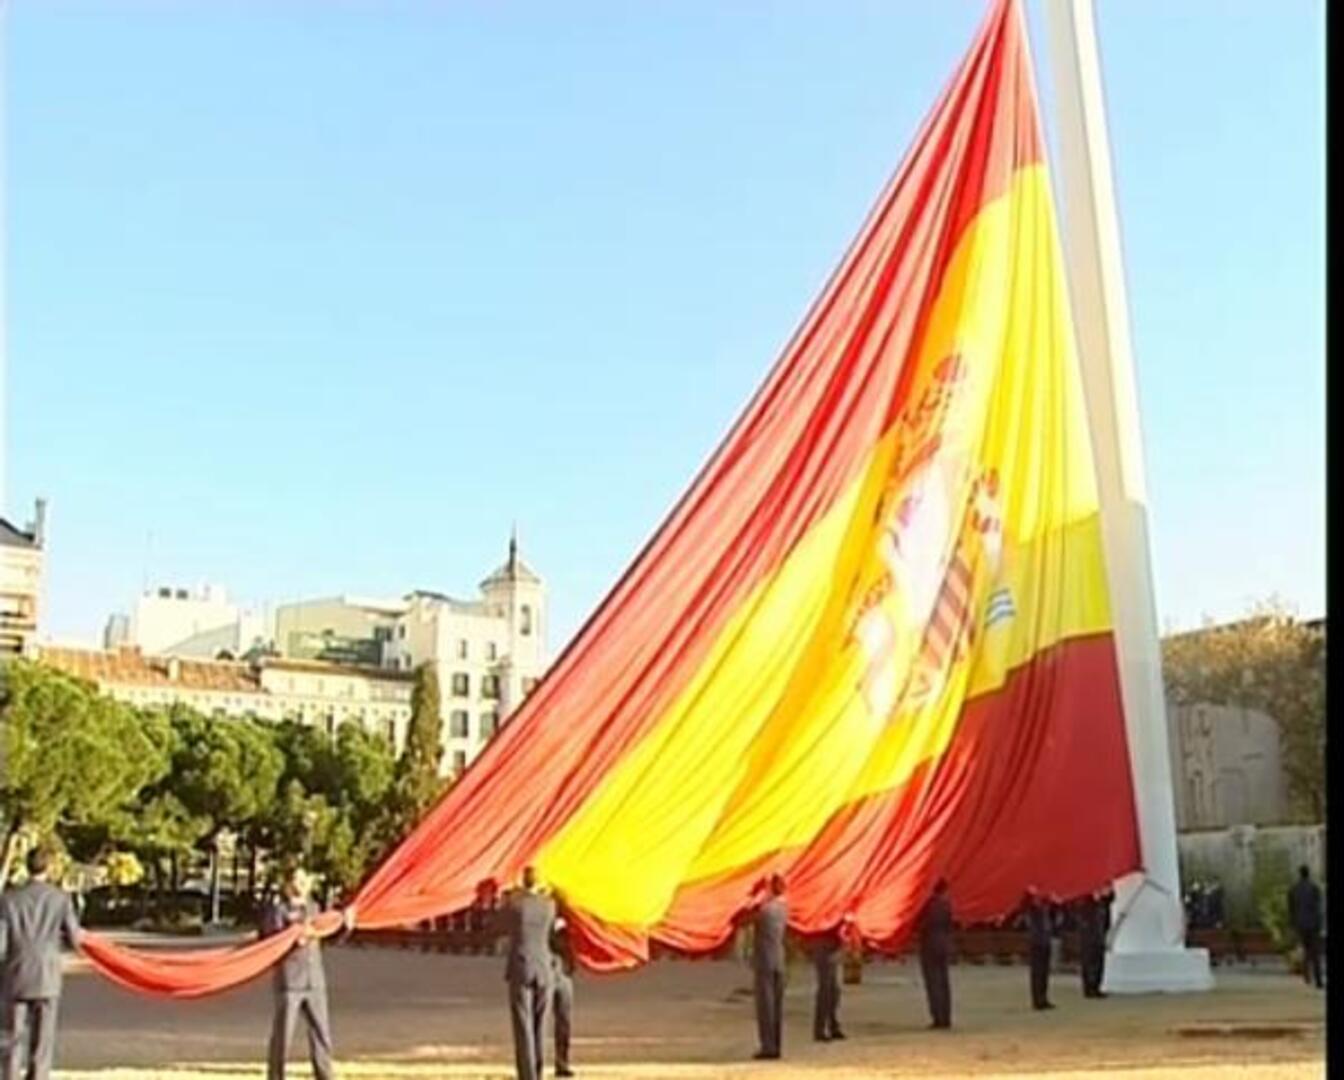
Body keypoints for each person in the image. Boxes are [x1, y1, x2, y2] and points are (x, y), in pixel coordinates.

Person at [0, 845, 82, 1080]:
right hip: (47, 976)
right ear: (49, 867)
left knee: (11, 1038)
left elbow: (1, 944)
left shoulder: (8, 899)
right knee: (42, 1040)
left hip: (15, 975)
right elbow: (74, 939)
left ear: (27, 867)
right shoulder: (60, 899)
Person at [262, 865, 351, 1080]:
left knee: (321, 1033)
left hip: (314, 980)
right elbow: (270, 940)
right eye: (297, 880)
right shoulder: (279, 910)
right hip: (290, 982)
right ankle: (276, 1076)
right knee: (283, 1035)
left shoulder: (314, 908)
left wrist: (345, 927)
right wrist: (295, 939)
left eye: (305, 880)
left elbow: (326, 936)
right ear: (287, 885)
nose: (301, 885)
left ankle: (324, 1075)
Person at [499, 865, 556, 1080]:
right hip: (543, 966)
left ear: (523, 881)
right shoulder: (550, 905)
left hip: (521, 966)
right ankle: (538, 1072)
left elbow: (497, 925)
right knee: (541, 1024)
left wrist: (507, 896)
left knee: (523, 1023)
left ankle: (527, 1074)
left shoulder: (514, 904)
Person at [751, 874, 788, 1060]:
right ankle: (776, 1045)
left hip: (765, 962)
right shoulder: (783, 908)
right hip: (779, 961)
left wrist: (756, 897)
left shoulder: (764, 910)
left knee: (766, 1006)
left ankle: (768, 1046)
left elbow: (741, 918)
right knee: (777, 1006)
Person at [917, 878, 953, 1030]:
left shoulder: (929, 905)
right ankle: (946, 1016)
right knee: (944, 982)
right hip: (944, 945)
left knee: (933, 982)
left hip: (929, 944)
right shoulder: (947, 905)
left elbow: (921, 924)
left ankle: (937, 1017)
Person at [1287, 865, 1324, 989]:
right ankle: (1318, 980)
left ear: (1300, 874)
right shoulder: (1314, 888)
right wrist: (1320, 924)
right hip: (1313, 924)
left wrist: (1292, 925)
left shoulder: (1293, 889)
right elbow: (1318, 908)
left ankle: (1307, 976)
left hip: (1300, 924)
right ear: (1309, 874)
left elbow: (1291, 910)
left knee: (1305, 949)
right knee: (1315, 952)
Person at [549, 907, 576, 1078]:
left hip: (563, 973)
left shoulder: (570, 919)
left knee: (564, 1022)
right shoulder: (544, 912)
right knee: (541, 1021)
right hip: (548, 971)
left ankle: (562, 1062)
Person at [809, 921, 846, 1043]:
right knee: (825, 988)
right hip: (823, 941)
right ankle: (821, 1028)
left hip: (835, 943)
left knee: (835, 989)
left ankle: (833, 1025)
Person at [1021, 887, 1055, 1010]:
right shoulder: (1031, 907)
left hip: (1045, 940)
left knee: (1044, 972)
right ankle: (1037, 999)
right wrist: (1030, 894)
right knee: (1037, 972)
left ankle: (1043, 997)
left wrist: (1049, 899)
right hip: (1036, 941)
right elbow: (1024, 904)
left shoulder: (1043, 907)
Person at [1076, 890, 1109, 999]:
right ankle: (1089, 987)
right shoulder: (1085, 901)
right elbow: (1082, 917)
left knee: (1099, 962)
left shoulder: (1102, 903)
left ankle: (1096, 986)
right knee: (1088, 961)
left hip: (1099, 934)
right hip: (1089, 935)